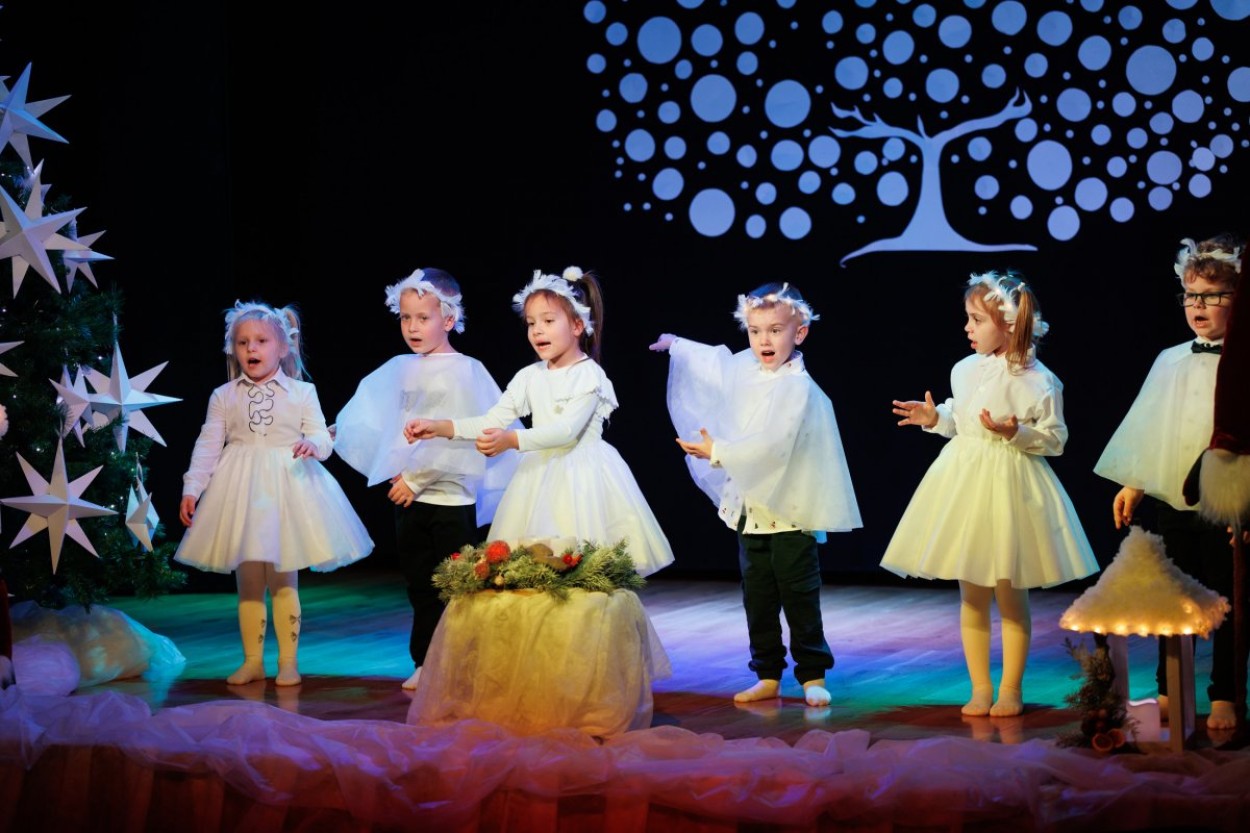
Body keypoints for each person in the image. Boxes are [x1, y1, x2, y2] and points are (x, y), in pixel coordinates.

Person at [881, 272, 1099, 717]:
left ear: (1008, 324)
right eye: (968, 318)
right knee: (972, 593)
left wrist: (1017, 432)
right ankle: (980, 688)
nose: (968, 328)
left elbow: (1055, 439)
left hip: (1011, 486)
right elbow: (961, 421)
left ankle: (1011, 689)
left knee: (1010, 594)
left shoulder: (1040, 380)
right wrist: (934, 419)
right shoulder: (964, 369)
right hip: (966, 483)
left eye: (977, 320)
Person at [650, 282, 861, 708]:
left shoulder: (797, 387)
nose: (764, 340)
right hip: (751, 510)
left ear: (799, 333)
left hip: (791, 513)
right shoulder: (746, 368)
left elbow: (773, 444)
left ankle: (812, 674)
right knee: (758, 596)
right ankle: (766, 673)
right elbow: (717, 365)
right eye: (755, 330)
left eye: (775, 331)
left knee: (799, 594)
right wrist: (678, 346)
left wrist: (718, 451)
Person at [403, 266, 674, 577]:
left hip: (583, 478)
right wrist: (442, 427)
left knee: (584, 566)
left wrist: (512, 440)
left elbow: (566, 432)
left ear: (577, 325)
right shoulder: (529, 376)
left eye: (548, 321)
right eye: (531, 323)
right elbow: (492, 419)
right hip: (537, 475)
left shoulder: (589, 374)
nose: (537, 331)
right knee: (535, 569)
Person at [334, 268, 514, 690]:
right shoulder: (401, 368)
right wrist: (327, 436)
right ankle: (426, 661)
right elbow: (367, 417)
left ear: (448, 319)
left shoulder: (465, 370)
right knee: (420, 584)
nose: (412, 327)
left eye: (423, 318)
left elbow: (467, 434)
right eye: (405, 318)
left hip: (450, 499)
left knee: (457, 585)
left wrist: (417, 478)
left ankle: (462, 664)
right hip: (409, 499)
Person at [176, 301, 373, 686]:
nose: (251, 348)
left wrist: (313, 445)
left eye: (261, 341)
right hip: (240, 492)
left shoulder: (301, 392)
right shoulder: (224, 395)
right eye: (243, 342)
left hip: (287, 489)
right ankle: (252, 661)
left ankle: (287, 661)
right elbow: (208, 445)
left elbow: (321, 434)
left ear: (282, 348)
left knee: (284, 579)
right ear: (233, 349)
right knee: (248, 580)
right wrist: (192, 488)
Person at [1095, 234, 1247, 730]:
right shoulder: (1170, 359)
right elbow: (1150, 425)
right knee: (1173, 599)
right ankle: (1170, 689)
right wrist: (1135, 483)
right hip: (1173, 500)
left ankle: (1226, 694)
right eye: (1190, 295)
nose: (1198, 305)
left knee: (1230, 601)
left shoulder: (1242, 363)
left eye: (1212, 295)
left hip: (1227, 502)